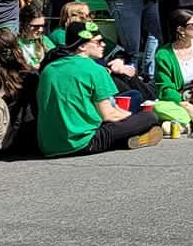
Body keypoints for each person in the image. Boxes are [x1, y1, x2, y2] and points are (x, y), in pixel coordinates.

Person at [35, 21, 162, 156]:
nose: (104, 45)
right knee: (149, 117)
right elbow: (108, 115)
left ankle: (128, 138)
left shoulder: (49, 69)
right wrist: (132, 118)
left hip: (48, 145)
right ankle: (128, 139)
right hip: (83, 142)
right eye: (98, 42)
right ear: (82, 46)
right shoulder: (95, 70)